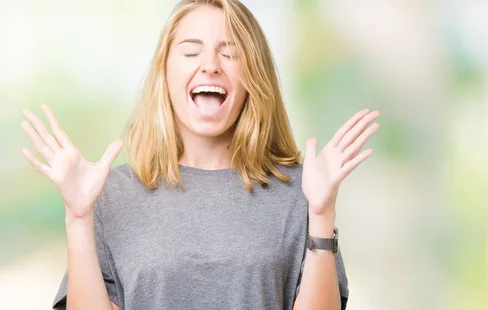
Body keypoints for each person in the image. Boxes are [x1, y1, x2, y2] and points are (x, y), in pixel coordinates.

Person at [20, 0, 380, 309]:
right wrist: (78, 218)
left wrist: (320, 213)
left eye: (230, 53)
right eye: (191, 52)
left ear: (255, 76)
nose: (210, 65)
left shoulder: (301, 192)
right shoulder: (108, 196)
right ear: (164, 73)